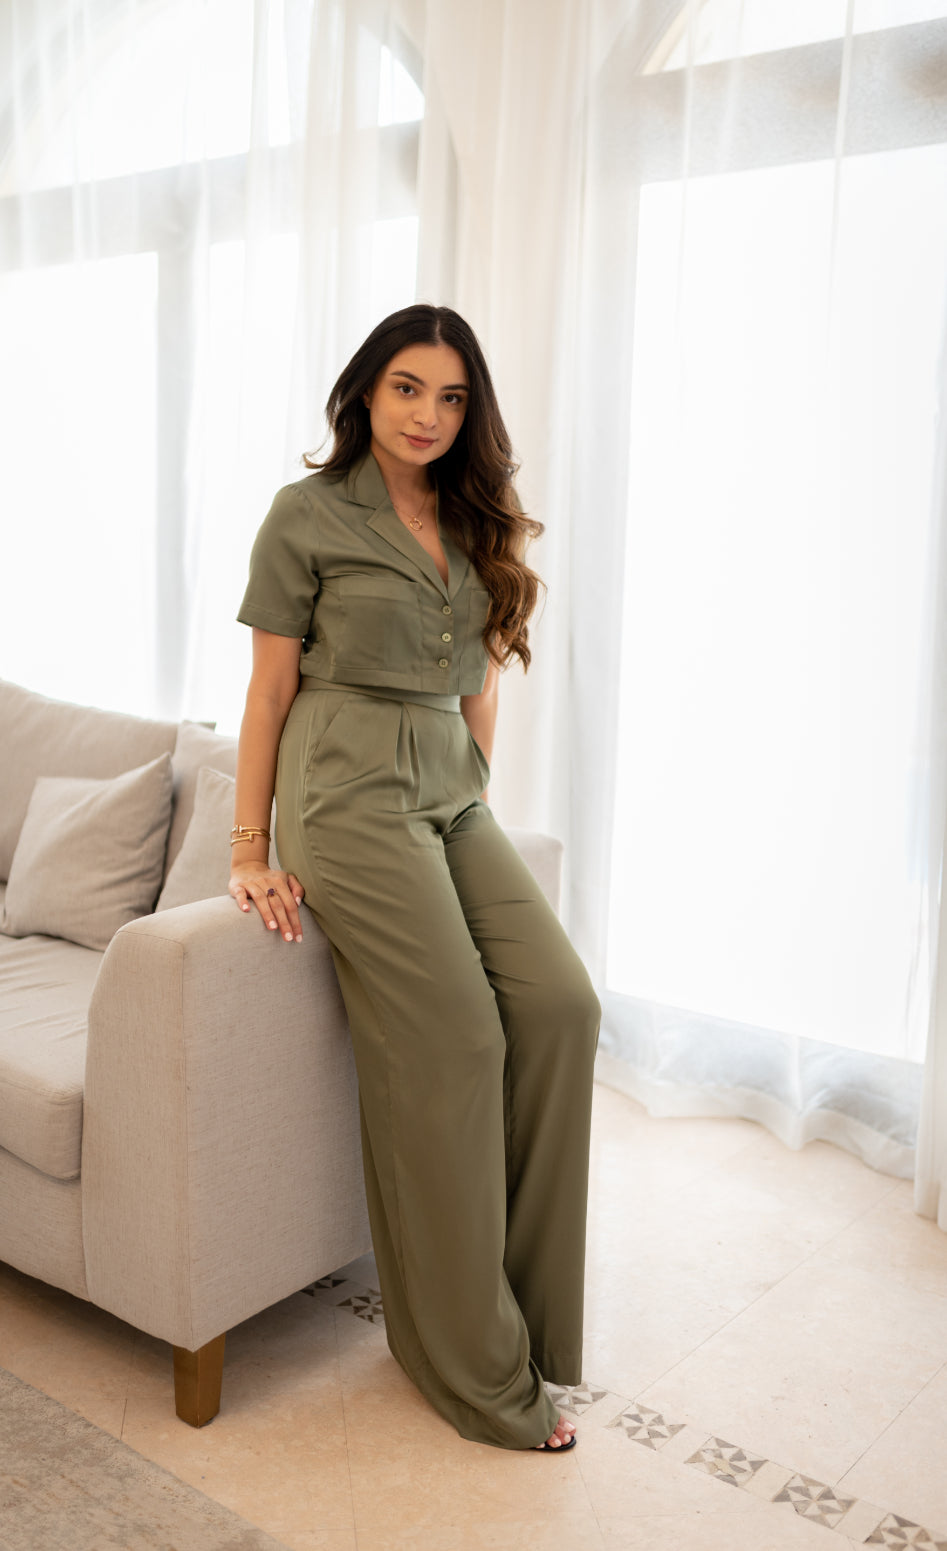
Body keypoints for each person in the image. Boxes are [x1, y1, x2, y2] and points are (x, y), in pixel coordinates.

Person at [229, 303, 601, 1452]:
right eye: (406, 388)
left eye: (450, 396)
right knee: (457, 1041)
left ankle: (530, 1320)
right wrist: (252, 847)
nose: (428, 415)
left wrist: (474, 780)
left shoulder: (482, 521)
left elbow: (484, 670)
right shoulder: (306, 516)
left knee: (559, 1007)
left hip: (449, 788)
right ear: (363, 394)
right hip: (345, 791)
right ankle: (469, 1366)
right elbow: (268, 694)